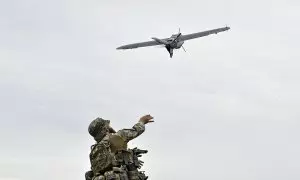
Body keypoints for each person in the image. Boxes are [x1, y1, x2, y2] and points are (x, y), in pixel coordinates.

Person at [86, 114, 154, 180]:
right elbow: (137, 130)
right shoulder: (118, 136)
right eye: (108, 126)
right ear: (105, 128)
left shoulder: (94, 150)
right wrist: (142, 121)